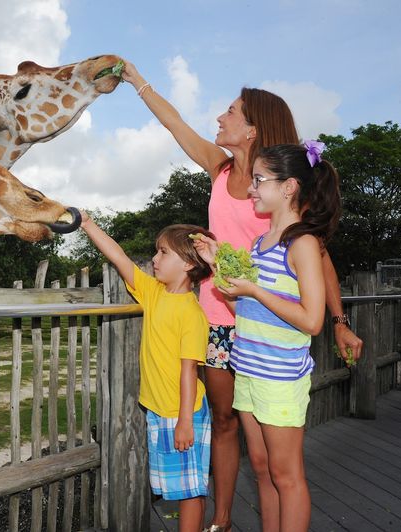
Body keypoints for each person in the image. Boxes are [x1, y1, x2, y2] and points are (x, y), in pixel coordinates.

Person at [121, 61, 362, 532]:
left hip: (263, 325)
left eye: (230, 111)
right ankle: (223, 519)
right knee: (226, 422)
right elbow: (175, 124)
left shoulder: (285, 192)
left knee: (270, 449)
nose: (219, 117)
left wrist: (338, 320)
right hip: (217, 316)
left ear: (252, 128)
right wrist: (136, 80)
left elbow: (319, 261)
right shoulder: (220, 167)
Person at [192, 141, 341, 531]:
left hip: (280, 378)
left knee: (286, 475)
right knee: (261, 468)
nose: (251, 188)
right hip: (249, 371)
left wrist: (256, 290)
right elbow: (247, 313)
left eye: (259, 180)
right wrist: (217, 264)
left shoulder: (303, 243)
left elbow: (312, 321)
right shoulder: (260, 244)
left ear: (289, 187)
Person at [79, 215, 214, 532]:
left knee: (190, 491)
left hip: (183, 413)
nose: (155, 258)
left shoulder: (192, 315)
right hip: (160, 410)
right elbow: (119, 257)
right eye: (157, 251)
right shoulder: (154, 293)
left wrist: (183, 421)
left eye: (164, 252)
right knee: (181, 484)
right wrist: (87, 224)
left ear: (188, 265)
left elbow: (189, 370)